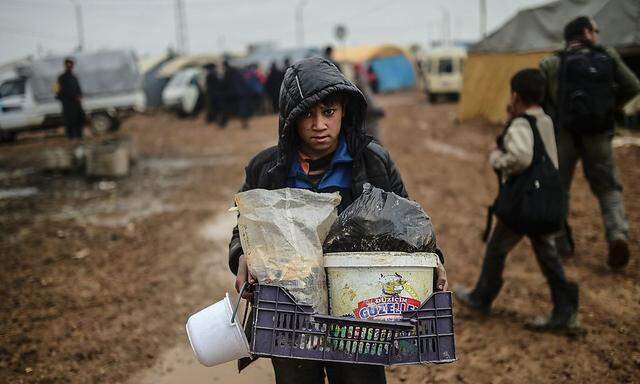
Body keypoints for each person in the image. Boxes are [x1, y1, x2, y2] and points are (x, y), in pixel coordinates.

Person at [228, 57, 448, 384]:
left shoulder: (372, 161)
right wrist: (241, 256)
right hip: (292, 318)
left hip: (359, 312)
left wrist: (435, 261)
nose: (319, 125)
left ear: (344, 110)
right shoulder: (267, 170)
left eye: (328, 112)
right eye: (307, 114)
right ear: (290, 118)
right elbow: (242, 231)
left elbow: (411, 224)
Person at [456, 69, 579, 332]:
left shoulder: (521, 124)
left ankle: (481, 297)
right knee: (547, 253)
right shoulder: (545, 119)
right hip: (545, 201)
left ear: (515, 95)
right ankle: (565, 308)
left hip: (523, 205)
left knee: (497, 248)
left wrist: (497, 158)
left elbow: (521, 157)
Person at [539, 16, 640, 270]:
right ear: (585, 32)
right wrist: (610, 109)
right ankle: (617, 235)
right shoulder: (608, 56)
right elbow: (634, 85)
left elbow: (539, 100)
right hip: (598, 134)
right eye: (595, 30)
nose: (597, 34)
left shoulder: (551, 62)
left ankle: (562, 245)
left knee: (559, 190)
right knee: (608, 188)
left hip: (564, 136)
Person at [54, 57, 85, 139]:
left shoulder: (74, 77)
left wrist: (79, 95)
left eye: (71, 64)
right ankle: (71, 137)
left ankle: (79, 136)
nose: (70, 66)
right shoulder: (62, 77)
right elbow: (60, 90)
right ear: (65, 65)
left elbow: (78, 88)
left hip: (76, 102)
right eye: (68, 64)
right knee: (69, 120)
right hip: (67, 103)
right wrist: (72, 97)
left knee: (79, 118)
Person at [353, 63, 385, 140]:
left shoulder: (355, 81)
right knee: (372, 133)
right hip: (368, 111)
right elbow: (368, 97)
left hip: (364, 112)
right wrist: (375, 109)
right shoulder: (361, 83)